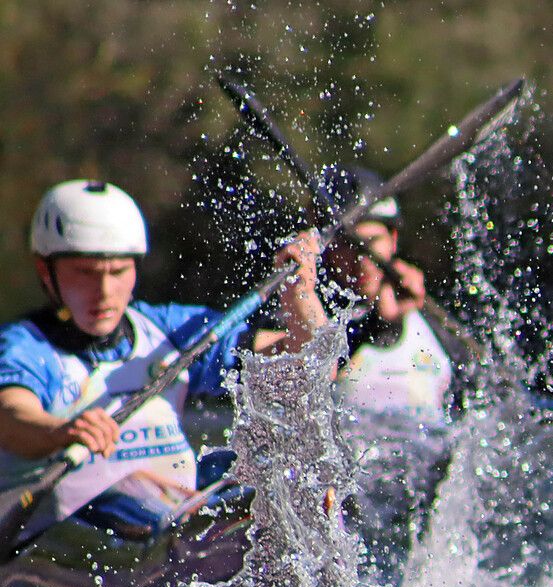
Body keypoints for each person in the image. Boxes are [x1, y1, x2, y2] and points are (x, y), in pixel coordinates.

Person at [0, 179, 326, 545]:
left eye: (118, 272)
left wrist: (300, 293)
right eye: (86, 273)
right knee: (129, 495)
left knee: (289, 478)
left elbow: (309, 366)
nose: (105, 292)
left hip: (176, 512)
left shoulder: (168, 331)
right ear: (47, 272)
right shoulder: (25, 346)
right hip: (84, 531)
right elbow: (11, 417)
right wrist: (60, 431)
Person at [317, 164, 456, 430]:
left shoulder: (431, 318)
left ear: (393, 239)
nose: (361, 261)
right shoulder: (310, 317)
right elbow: (317, 366)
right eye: (348, 245)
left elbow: (483, 398)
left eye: (370, 244)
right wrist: (380, 323)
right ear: (328, 251)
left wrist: (393, 322)